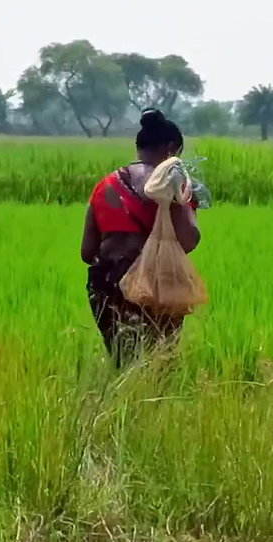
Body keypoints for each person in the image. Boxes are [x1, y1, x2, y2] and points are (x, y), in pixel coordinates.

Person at [80, 107, 202, 367]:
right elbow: (189, 240)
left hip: (107, 285)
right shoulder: (172, 183)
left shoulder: (105, 185)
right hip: (156, 287)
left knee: (123, 364)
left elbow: (86, 252)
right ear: (171, 149)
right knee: (159, 367)